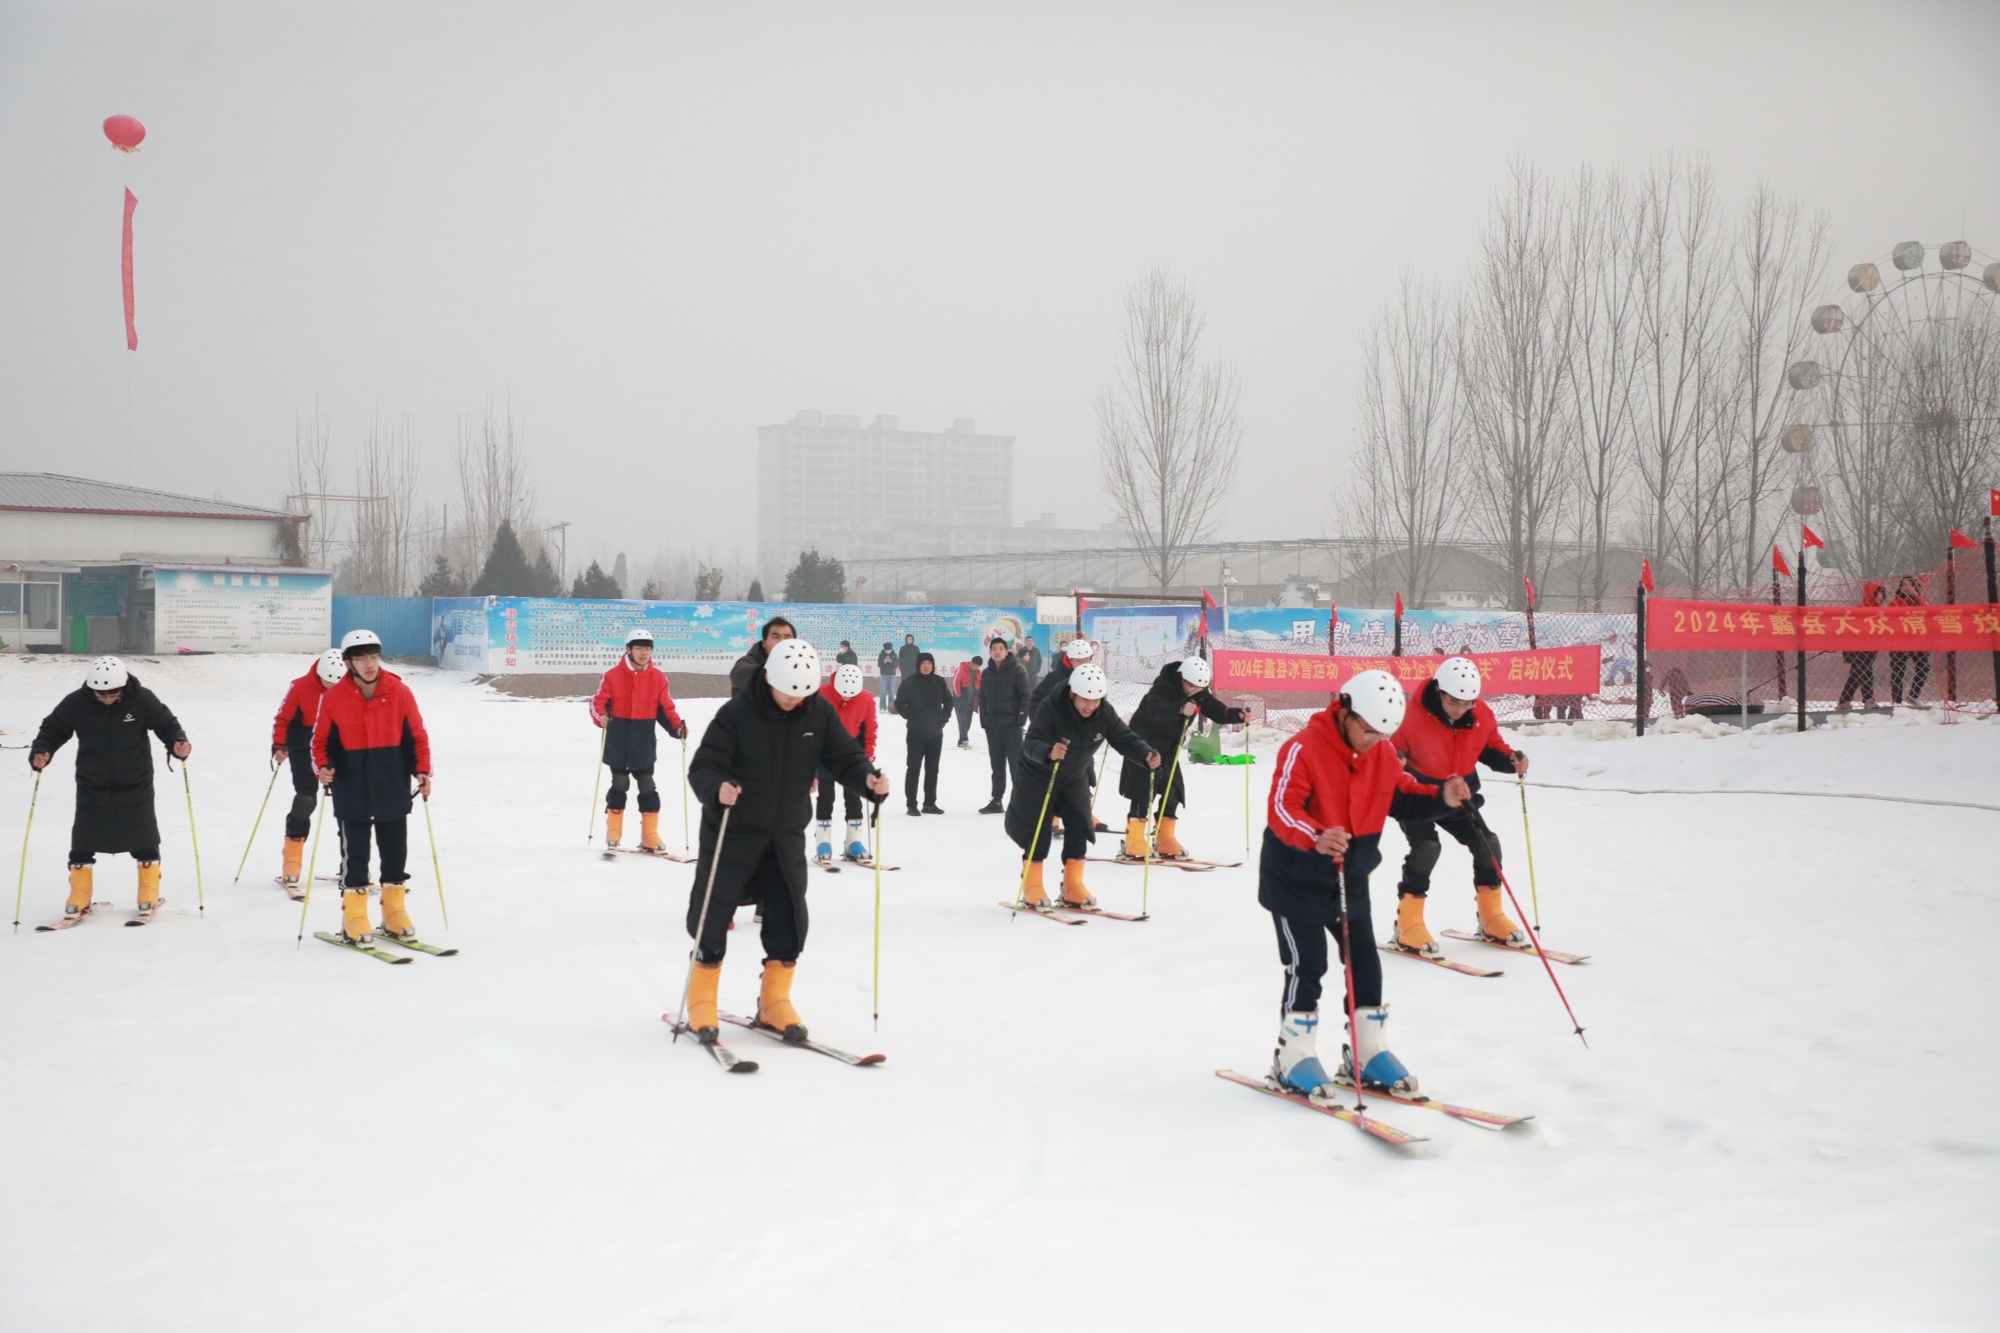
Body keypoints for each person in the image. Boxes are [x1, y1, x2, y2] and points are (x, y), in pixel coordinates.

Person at [1262, 671, 1467, 1097]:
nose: (1374, 740)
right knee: (1308, 964)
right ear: (1346, 711)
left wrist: (1441, 798)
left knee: (1366, 965)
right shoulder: (1303, 748)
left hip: (1349, 877)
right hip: (1296, 876)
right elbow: (1282, 808)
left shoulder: (1383, 754)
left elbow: (1404, 794)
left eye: (1383, 734)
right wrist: (1315, 835)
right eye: (1368, 730)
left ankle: (1367, 1052)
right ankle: (1293, 1055)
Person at [683, 641, 891, 1045]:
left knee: (788, 914)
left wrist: (867, 779)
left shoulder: (817, 711)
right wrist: (718, 788)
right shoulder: (737, 714)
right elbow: (704, 766)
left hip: (785, 833)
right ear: (769, 679)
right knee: (713, 910)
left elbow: (844, 756)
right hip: (734, 830)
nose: (796, 701)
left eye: (803, 694)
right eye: (788, 693)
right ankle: (701, 998)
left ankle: (774, 999)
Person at [31, 656, 191, 924]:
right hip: (93, 784)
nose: (106, 698)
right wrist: (42, 751)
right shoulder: (76, 703)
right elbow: (53, 729)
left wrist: (178, 743)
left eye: (112, 693)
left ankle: (148, 890)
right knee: (83, 839)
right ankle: (79, 895)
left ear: (123, 686)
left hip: (135, 782)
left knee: (143, 836)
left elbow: (166, 725)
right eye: (100, 694)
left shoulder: (142, 699)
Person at [1386, 657, 1528, 955]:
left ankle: (1491, 918)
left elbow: (1491, 746)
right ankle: (1407, 925)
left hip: (1458, 791)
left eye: (1468, 703)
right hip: (1419, 794)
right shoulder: (1410, 715)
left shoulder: (1481, 714)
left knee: (1487, 843)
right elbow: (1392, 749)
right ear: (1439, 692)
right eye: (1454, 702)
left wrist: (1510, 760)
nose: (1461, 709)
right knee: (1427, 846)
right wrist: (1395, 761)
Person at [312, 629, 434, 944]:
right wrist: (323, 768)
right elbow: (320, 742)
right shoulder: (333, 698)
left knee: (395, 851)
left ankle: (394, 914)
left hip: (391, 783)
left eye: (374, 657)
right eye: (362, 658)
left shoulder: (399, 692)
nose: (370, 664)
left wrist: (422, 771)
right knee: (356, 856)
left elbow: (417, 735)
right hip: (350, 787)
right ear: (349, 663)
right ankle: (354, 917)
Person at [1007, 664, 1158, 908]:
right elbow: (1031, 741)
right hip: (1039, 775)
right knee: (1039, 831)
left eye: (1096, 700)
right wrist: (1048, 751)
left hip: (1074, 776)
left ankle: (1072, 885)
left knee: (1079, 826)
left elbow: (1124, 738)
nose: (1091, 706)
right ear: (1072, 694)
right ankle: (1032, 885)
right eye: (1086, 700)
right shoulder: (1051, 708)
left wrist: (1145, 754)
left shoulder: (1103, 713)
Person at [1116, 656, 1248, 861]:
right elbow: (1155, 709)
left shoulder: (1200, 693)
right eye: (1191, 686)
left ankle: (1164, 838)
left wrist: (1238, 715)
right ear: (1181, 678)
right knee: (1144, 790)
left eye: (1200, 687)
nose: (1195, 691)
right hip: (1144, 746)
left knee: (1174, 790)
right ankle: (1133, 841)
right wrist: (1179, 709)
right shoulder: (1163, 687)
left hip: (1168, 749)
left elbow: (1219, 712)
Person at [590, 628, 688, 851]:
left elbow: (666, 708)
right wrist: (601, 717)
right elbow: (597, 703)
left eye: (648, 649)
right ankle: (613, 831)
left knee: (647, 786)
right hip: (618, 742)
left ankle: (649, 834)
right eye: (639, 648)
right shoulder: (612, 676)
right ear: (629, 650)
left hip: (643, 743)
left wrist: (677, 728)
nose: (644, 653)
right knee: (619, 783)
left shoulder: (658, 678)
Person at [269, 649, 347, 889]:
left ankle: (352, 866)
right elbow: (283, 718)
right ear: (319, 674)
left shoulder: (351, 687)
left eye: (337, 683)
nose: (332, 687)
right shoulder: (300, 686)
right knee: (305, 798)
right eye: (328, 682)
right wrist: (279, 745)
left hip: (339, 748)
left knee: (348, 806)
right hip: (305, 746)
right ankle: (292, 860)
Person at [815, 663, 879, 863]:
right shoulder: (820, 695)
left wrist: (866, 758)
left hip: (852, 756)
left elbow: (870, 729)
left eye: (851, 696)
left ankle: (853, 842)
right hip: (825, 755)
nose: (847, 699)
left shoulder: (866, 699)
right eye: (843, 695)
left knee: (854, 797)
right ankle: (823, 842)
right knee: (826, 797)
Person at [895, 652, 953, 815]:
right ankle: (911, 804)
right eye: (923, 663)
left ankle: (929, 803)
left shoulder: (939, 682)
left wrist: (943, 719)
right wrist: (911, 718)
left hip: (935, 733)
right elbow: (899, 704)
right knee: (913, 768)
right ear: (918, 665)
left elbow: (948, 701)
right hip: (916, 733)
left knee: (933, 769)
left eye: (929, 663)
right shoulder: (909, 683)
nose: (926, 666)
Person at [977, 636, 1030, 813]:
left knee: (1016, 766)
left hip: (1012, 726)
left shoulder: (1017, 670)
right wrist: (984, 720)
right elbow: (982, 698)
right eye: (994, 649)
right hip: (993, 727)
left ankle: (1020, 802)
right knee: (997, 765)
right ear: (990, 652)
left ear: (1006, 651)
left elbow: (1025, 696)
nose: (997, 652)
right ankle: (996, 800)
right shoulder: (986, 673)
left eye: (1001, 648)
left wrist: (1021, 719)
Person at [1837, 582, 1887, 710]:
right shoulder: (1859, 610)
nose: (1880, 596)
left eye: (1882, 594)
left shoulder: (1882, 611)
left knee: (1856, 673)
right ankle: (1869, 699)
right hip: (1857, 648)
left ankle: (1844, 700)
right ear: (1871, 594)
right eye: (1877, 593)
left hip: (1871, 648)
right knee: (1865, 671)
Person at [1889, 576, 1930, 705]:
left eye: (1910, 584)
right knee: (1898, 670)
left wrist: (1916, 596)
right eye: (1904, 585)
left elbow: (1928, 611)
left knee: (1923, 667)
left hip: (1917, 641)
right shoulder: (1895, 603)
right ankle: (1896, 701)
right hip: (1899, 641)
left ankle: (1913, 695)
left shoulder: (1920, 600)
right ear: (1900, 587)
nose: (1907, 587)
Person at [729, 617, 796, 698]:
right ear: (764, 643)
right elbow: (738, 673)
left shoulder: (803, 663)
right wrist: (771, 672)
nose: (782, 642)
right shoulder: (751, 659)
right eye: (776, 637)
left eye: (787, 637)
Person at [1029, 638, 1093, 712]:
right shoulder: (1054, 678)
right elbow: (1035, 702)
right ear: (1069, 660)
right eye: (1078, 661)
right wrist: (1041, 722)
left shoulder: (1093, 678)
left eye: (1087, 660)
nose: (1083, 665)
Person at [952, 654, 982, 748]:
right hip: (961, 699)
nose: (975, 668)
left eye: (977, 667)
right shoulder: (961, 669)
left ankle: (961, 740)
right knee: (963, 721)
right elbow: (955, 683)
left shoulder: (978, 673)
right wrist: (959, 696)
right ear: (971, 663)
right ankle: (965, 741)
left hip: (970, 701)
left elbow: (978, 685)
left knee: (967, 723)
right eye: (974, 666)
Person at [875, 641, 899, 705]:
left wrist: (891, 661)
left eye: (889, 649)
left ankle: (891, 706)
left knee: (891, 691)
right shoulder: (881, 655)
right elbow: (879, 665)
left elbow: (896, 665)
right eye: (886, 649)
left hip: (892, 675)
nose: (888, 651)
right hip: (883, 674)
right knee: (883, 691)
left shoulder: (894, 655)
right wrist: (884, 661)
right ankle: (882, 706)